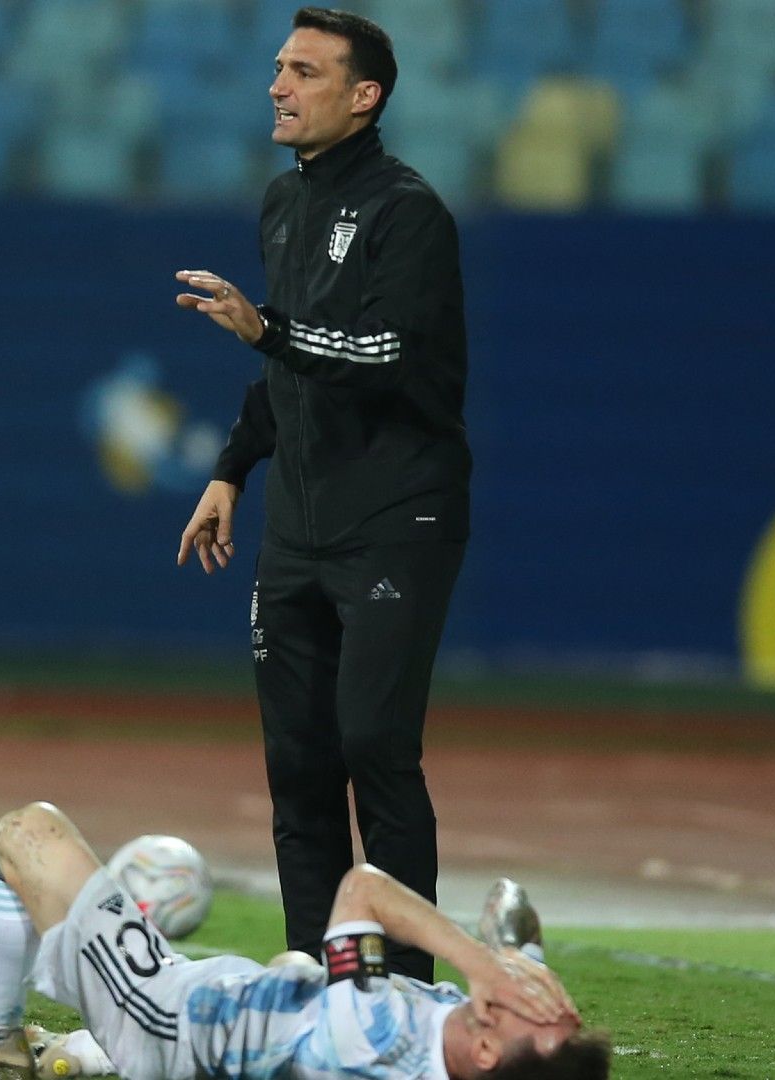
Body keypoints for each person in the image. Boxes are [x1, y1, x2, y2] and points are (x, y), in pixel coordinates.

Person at [172, 7, 471, 982]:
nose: (278, 85)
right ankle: (320, 981)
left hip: (395, 520)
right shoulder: (283, 203)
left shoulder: (407, 212)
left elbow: (388, 356)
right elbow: (294, 364)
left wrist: (271, 335)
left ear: (364, 95)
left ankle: (411, 994)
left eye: (304, 70)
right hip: (296, 531)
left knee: (375, 743)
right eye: (277, 67)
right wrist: (231, 467)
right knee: (299, 769)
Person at [0, 802, 610, 1080]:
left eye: (534, 1017)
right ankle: (85, 1054)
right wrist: (528, 966)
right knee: (298, 968)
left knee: (24, 833)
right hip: (249, 1011)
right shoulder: (482, 1037)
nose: (534, 1002)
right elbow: (511, 906)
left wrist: (482, 960)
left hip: (168, 1020)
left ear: (488, 1047)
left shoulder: (380, 1038)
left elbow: (362, 890)